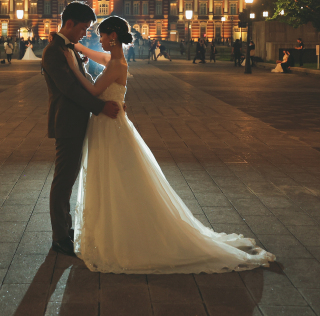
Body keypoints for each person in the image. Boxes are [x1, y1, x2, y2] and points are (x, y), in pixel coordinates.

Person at [62, 14, 275, 273]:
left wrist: (73, 68)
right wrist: (76, 48)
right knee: (113, 174)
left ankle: (116, 229)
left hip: (109, 125)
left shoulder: (116, 64)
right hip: (110, 122)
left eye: (102, 35)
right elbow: (101, 58)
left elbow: (95, 92)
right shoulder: (116, 60)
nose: (99, 39)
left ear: (113, 36)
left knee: (111, 174)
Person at [41, 2, 121, 258]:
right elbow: (70, 89)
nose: (84, 34)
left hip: (76, 120)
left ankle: (65, 229)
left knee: (69, 178)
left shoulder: (67, 49)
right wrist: (100, 107)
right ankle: (60, 238)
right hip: (67, 122)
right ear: (69, 24)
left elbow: (83, 79)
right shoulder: (54, 51)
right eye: (84, 28)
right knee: (63, 181)